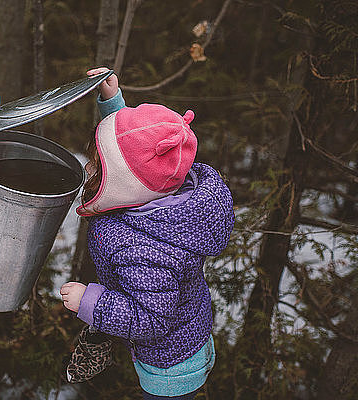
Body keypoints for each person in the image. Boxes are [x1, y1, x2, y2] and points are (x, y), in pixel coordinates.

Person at [60, 67, 234, 399]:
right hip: (189, 336)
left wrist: (91, 302)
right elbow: (139, 154)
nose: (88, 168)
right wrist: (114, 104)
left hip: (170, 370)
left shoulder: (145, 250)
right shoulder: (161, 189)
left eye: (99, 165)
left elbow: (151, 319)